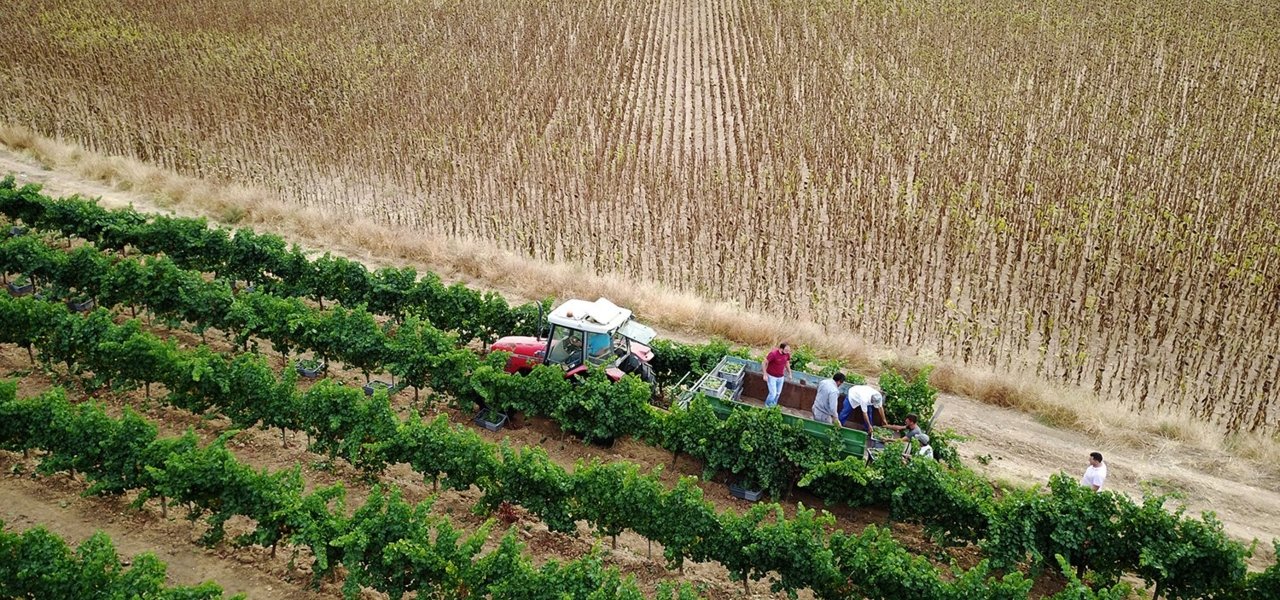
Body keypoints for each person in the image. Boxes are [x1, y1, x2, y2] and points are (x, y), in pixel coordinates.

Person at [763, 342, 791, 408]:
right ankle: (767, 406)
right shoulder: (773, 354)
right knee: (773, 394)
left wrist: (789, 373)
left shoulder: (787, 354)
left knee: (778, 393)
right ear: (781, 349)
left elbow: (787, 363)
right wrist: (765, 374)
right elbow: (764, 363)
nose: (787, 352)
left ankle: (773, 406)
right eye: (786, 350)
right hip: (771, 377)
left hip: (781, 377)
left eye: (788, 350)